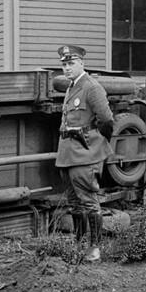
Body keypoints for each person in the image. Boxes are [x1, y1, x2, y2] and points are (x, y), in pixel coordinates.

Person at [54, 45, 114, 262]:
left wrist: (96, 142)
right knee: (74, 203)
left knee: (89, 201)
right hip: (69, 153)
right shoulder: (71, 87)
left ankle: (95, 248)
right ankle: (79, 244)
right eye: (64, 64)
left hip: (85, 152)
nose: (67, 68)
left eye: (71, 63)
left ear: (82, 64)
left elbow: (106, 120)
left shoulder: (91, 87)